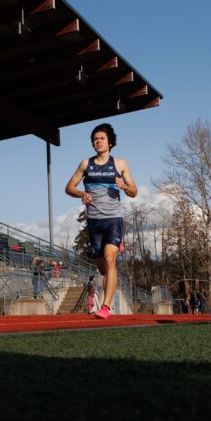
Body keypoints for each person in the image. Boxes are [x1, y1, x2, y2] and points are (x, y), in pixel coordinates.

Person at [65, 123, 137, 319]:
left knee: (110, 258)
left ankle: (105, 307)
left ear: (110, 142)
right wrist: (81, 193)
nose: (98, 142)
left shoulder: (120, 164)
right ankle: (111, 262)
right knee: (102, 267)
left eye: (102, 138)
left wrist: (124, 186)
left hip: (113, 218)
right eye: (95, 139)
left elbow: (134, 191)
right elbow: (69, 187)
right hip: (94, 220)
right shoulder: (85, 164)